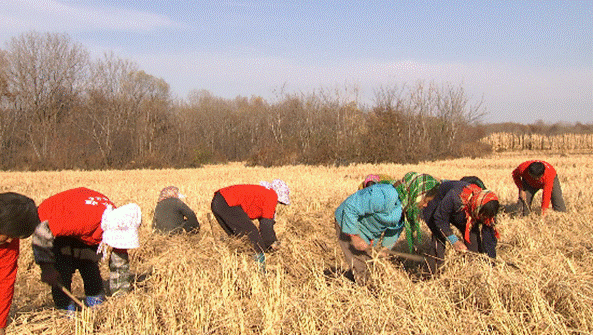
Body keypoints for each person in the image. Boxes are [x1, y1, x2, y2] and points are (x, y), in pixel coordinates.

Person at [32, 187, 142, 311]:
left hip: (80, 223)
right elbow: (42, 231)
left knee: (89, 265)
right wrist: (46, 268)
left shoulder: (122, 221)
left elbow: (120, 261)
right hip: (54, 221)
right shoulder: (85, 220)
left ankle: (96, 303)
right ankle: (65, 310)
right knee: (62, 269)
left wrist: (120, 297)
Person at [335, 172, 440, 284]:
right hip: (348, 223)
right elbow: (350, 208)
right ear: (418, 193)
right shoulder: (386, 195)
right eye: (426, 201)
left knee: (368, 265)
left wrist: (386, 248)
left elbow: (395, 227)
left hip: (369, 232)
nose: (425, 205)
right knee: (363, 269)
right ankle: (360, 292)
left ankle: (348, 282)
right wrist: (355, 236)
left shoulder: (405, 205)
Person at [210, 179, 290, 271]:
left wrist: (271, 241)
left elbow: (266, 222)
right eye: (280, 202)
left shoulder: (264, 194)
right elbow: (266, 226)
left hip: (219, 201)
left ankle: (240, 267)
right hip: (226, 202)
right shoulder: (271, 196)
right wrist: (272, 244)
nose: (278, 204)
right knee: (252, 235)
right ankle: (260, 270)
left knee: (240, 238)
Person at [422, 180, 500, 275]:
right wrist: (454, 241)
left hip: (465, 213)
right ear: (477, 208)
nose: (483, 219)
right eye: (481, 216)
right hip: (436, 208)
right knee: (439, 240)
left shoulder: (489, 211)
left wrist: (492, 261)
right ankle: (431, 275)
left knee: (474, 246)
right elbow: (439, 219)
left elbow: (489, 240)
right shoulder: (455, 196)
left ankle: (472, 275)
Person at [0, 193, 41, 335]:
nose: (11, 241)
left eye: (15, 237)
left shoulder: (7, 243)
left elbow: (5, 282)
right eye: (9, 235)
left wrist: (0, 324)